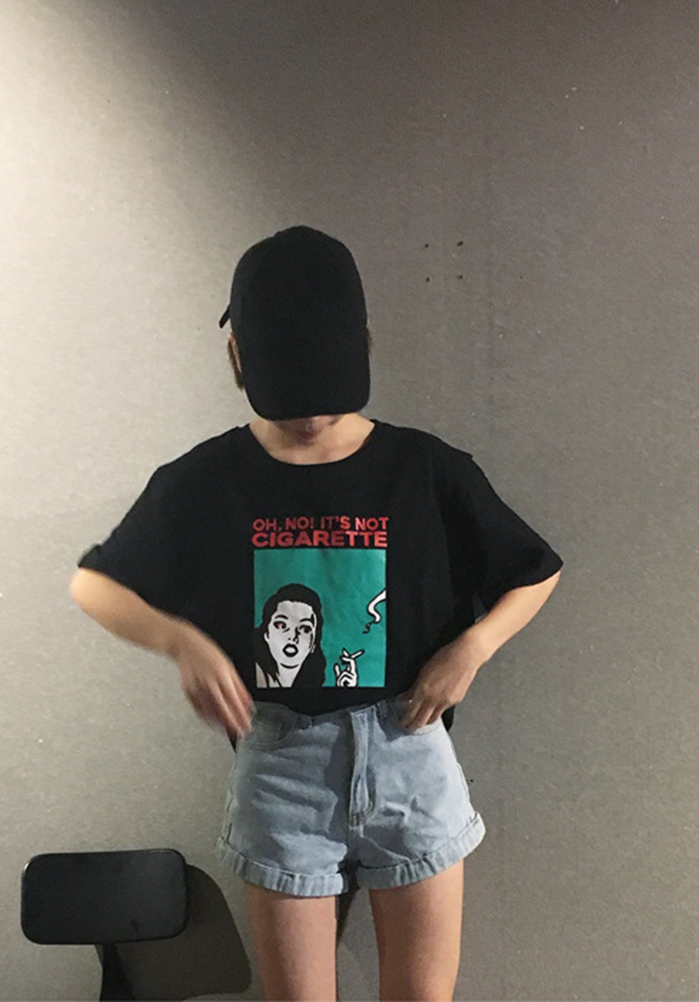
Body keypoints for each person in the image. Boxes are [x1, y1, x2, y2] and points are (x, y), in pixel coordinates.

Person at [70, 226, 562, 1001]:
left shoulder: (425, 469)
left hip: (408, 748)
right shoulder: (207, 479)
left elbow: (534, 571)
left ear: (361, 348)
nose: (308, 417)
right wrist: (180, 641)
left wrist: (472, 648)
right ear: (238, 357)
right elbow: (96, 585)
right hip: (282, 763)